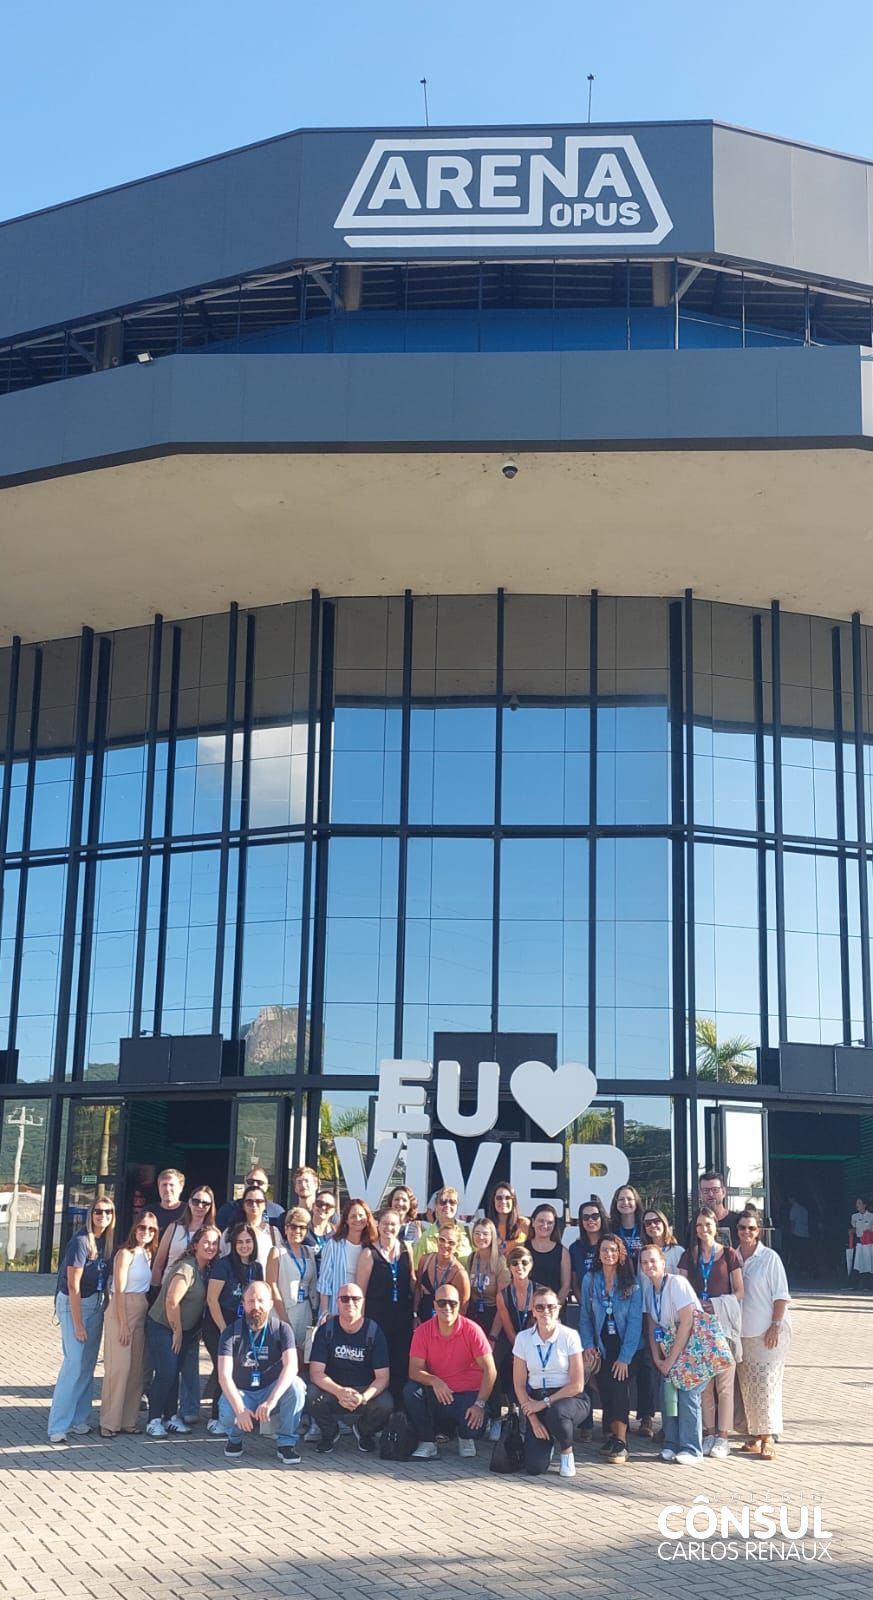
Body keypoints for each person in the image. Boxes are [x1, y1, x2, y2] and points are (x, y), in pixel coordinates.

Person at [47, 1196, 116, 1444]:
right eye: (98, 1211)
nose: (103, 1216)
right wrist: (78, 1324)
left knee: (87, 1364)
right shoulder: (80, 1242)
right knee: (74, 1363)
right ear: (90, 1214)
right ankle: (58, 1425)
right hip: (73, 1305)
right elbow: (73, 1286)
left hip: (95, 1304)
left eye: (108, 1212)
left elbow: (104, 1279)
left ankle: (79, 1419)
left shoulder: (107, 1242)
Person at [678, 1205, 744, 1458]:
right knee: (704, 1386)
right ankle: (708, 1433)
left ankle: (723, 1437)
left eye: (708, 1224)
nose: (703, 1229)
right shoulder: (689, 1256)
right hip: (697, 1328)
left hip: (722, 1326)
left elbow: (740, 1291)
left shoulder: (729, 1255)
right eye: (699, 1225)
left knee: (724, 1386)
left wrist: (716, 1304)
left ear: (716, 1227)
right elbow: (682, 1288)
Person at [217, 1281, 307, 1464]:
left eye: (261, 1301)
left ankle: (286, 1444)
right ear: (243, 1304)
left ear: (270, 1304)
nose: (256, 1306)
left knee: (297, 1386)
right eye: (250, 1301)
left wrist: (271, 1401)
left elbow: (291, 1367)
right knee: (227, 1409)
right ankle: (234, 1439)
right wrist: (240, 1410)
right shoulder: (230, 1332)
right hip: (243, 1392)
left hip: (270, 1390)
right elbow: (224, 1376)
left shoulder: (282, 1329)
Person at [405, 1284, 497, 1461]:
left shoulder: (472, 1330)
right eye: (442, 1303)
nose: (447, 1307)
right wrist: (434, 1381)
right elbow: (414, 1371)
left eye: (452, 1303)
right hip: (438, 1394)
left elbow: (490, 1370)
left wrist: (480, 1404)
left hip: (467, 1395)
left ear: (460, 1305)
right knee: (410, 1392)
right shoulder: (423, 1331)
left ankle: (465, 1437)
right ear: (434, 1305)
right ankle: (427, 1442)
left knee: (473, 1427)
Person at [145, 1224, 221, 1438]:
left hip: (185, 1330)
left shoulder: (206, 1269)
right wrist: (177, 1331)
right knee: (166, 1373)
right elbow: (172, 1301)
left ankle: (170, 1417)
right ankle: (153, 1420)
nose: (211, 1246)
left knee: (174, 1373)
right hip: (163, 1326)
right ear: (195, 1244)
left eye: (215, 1243)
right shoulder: (187, 1268)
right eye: (206, 1242)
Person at [579, 1234, 643, 1465]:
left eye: (613, 1250)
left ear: (621, 1253)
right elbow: (585, 1316)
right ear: (598, 1253)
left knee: (618, 1385)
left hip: (627, 1348)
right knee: (604, 1387)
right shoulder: (590, 1279)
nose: (609, 1254)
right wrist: (588, 1345)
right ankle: (611, 1436)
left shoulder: (631, 1283)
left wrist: (625, 1358)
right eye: (605, 1250)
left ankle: (621, 1441)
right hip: (602, 1346)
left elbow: (635, 1323)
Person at [639, 1241, 705, 1464]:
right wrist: (658, 1358)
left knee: (687, 1395)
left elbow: (687, 1322)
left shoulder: (677, 1283)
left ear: (663, 1262)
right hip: (668, 1349)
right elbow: (652, 1326)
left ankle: (692, 1448)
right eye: (644, 1262)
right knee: (668, 1395)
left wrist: (671, 1360)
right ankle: (671, 1443)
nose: (649, 1265)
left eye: (653, 1261)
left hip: (691, 1347)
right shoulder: (649, 1291)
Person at [308, 1282, 392, 1454]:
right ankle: (330, 1432)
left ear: (363, 1302)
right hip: (333, 1390)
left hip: (363, 1391)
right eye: (345, 1299)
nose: (350, 1303)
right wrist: (339, 1391)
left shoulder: (374, 1331)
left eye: (355, 1299)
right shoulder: (326, 1330)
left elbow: (383, 1377)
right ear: (337, 1302)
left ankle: (364, 1431)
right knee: (310, 1395)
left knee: (385, 1403)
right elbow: (316, 1373)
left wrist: (363, 1397)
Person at [512, 1285, 588, 1477]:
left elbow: (577, 1384)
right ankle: (547, 1444)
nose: (546, 1311)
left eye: (551, 1307)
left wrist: (544, 1403)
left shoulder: (569, 1336)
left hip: (568, 1397)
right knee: (534, 1468)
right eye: (540, 1307)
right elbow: (519, 1385)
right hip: (536, 1398)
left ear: (559, 1308)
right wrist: (533, 1419)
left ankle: (567, 1453)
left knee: (557, 1413)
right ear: (533, 1311)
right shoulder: (523, 1339)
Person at [735, 1209, 791, 1461]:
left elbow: (781, 1295)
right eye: (742, 1227)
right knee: (749, 1387)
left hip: (768, 1332)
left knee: (767, 1384)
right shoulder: (732, 1256)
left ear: (758, 1231)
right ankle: (756, 1434)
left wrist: (775, 1325)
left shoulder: (769, 1258)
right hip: (742, 1333)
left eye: (751, 1228)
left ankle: (769, 1437)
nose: (746, 1232)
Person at [99, 1210, 159, 1438]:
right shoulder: (125, 1253)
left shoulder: (148, 1254)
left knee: (135, 1370)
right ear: (135, 1228)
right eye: (142, 1227)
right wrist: (123, 1323)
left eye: (151, 1229)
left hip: (141, 1309)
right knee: (119, 1369)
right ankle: (109, 1422)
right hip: (122, 1309)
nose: (146, 1232)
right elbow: (119, 1290)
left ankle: (127, 1421)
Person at [204, 1222, 266, 1436]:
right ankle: (216, 1417)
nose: (244, 1246)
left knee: (240, 1370)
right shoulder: (223, 1265)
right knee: (223, 1369)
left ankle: (240, 1414)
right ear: (233, 1244)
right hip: (219, 1323)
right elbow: (212, 1299)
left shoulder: (257, 1267)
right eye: (239, 1242)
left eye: (248, 1241)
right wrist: (224, 1330)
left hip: (244, 1325)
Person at [357, 1208, 415, 1405]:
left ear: (400, 1226)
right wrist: (360, 1323)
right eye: (385, 1224)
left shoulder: (406, 1249)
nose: (389, 1228)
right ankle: (376, 1407)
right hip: (377, 1319)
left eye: (393, 1224)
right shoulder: (369, 1253)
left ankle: (398, 1410)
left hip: (403, 1318)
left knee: (400, 1362)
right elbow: (361, 1292)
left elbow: (412, 1282)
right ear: (378, 1224)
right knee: (379, 1362)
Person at [267, 1207, 319, 1355]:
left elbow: (313, 1284)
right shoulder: (277, 1252)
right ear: (286, 1228)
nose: (297, 1231)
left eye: (302, 1227)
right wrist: (284, 1319)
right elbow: (272, 1286)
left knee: (302, 1356)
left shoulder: (309, 1252)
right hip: (283, 1311)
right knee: (282, 1355)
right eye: (293, 1226)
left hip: (305, 1312)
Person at [318, 1199, 378, 1317]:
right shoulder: (334, 1245)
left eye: (361, 1215)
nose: (357, 1219)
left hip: (363, 1310)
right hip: (336, 1309)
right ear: (346, 1220)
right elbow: (324, 1282)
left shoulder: (372, 1247)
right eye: (353, 1216)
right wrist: (325, 1313)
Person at [151, 1185, 217, 1285]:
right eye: (196, 1201)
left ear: (210, 1207)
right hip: (168, 1285)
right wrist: (155, 1288)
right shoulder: (174, 1227)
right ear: (189, 1202)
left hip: (197, 1288)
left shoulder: (214, 1233)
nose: (200, 1206)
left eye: (205, 1203)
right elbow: (158, 1264)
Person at [414, 1225, 471, 1322]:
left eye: (451, 1242)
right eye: (442, 1240)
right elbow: (418, 1289)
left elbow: (463, 1309)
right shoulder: (425, 1260)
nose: (445, 1245)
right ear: (437, 1240)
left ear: (457, 1245)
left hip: (446, 1326)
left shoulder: (460, 1274)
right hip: (422, 1322)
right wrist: (415, 1315)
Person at [221, 1185, 283, 1269]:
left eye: (259, 1201)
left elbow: (280, 1262)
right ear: (243, 1205)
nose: (254, 1205)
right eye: (249, 1201)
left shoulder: (273, 1233)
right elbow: (222, 1257)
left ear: (265, 1205)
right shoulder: (230, 1232)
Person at [466, 1218, 509, 1336]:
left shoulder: (500, 1262)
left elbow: (503, 1303)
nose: (481, 1237)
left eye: (485, 1234)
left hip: (492, 1315)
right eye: (477, 1233)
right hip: (474, 1314)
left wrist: (493, 1335)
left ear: (492, 1236)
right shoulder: (471, 1258)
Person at [413, 1186, 473, 1266]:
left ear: (457, 1206)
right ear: (436, 1206)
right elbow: (418, 1268)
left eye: (452, 1202)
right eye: (443, 1202)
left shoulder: (469, 1231)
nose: (447, 1205)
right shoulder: (425, 1237)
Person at [525, 1204, 571, 1306]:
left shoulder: (563, 1252)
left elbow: (566, 1285)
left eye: (550, 1223)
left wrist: (553, 1308)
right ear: (533, 1222)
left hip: (554, 1310)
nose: (545, 1226)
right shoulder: (523, 1249)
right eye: (541, 1221)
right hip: (526, 1309)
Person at [216, 1166, 285, 1232]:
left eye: (260, 1182)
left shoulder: (277, 1211)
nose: (255, 1185)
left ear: (266, 1186)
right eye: (250, 1182)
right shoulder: (228, 1210)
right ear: (244, 1184)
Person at [569, 1198, 609, 1300]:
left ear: (602, 1218)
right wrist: (584, 1305)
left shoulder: (613, 1244)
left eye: (595, 1216)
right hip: (586, 1304)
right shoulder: (575, 1248)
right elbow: (574, 1283)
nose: (590, 1220)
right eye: (585, 1217)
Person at [698, 1171, 744, 1248]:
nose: (710, 1194)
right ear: (700, 1194)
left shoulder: (738, 1222)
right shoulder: (695, 1224)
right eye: (706, 1190)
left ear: (723, 1192)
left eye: (715, 1190)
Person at [485, 1183, 529, 1258]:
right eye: (499, 1198)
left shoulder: (524, 1224)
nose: (503, 1201)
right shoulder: (487, 1225)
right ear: (493, 1201)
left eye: (508, 1198)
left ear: (513, 1201)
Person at [609, 1185, 645, 1268]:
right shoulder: (609, 1228)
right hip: (619, 1274)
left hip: (644, 1274)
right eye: (621, 1199)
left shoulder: (645, 1227)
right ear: (616, 1203)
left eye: (629, 1199)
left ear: (636, 1202)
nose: (625, 1202)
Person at [151, 1169, 187, 1235]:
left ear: (181, 1188)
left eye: (171, 1185)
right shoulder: (149, 1212)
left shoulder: (189, 1212)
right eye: (164, 1185)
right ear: (158, 1187)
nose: (167, 1189)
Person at [849, 1196, 873, 1290]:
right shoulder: (854, 1216)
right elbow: (854, 1228)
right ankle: (853, 1285)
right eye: (856, 1203)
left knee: (868, 1264)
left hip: (869, 1244)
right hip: (859, 1243)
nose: (857, 1205)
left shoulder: (871, 1216)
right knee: (857, 1264)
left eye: (859, 1203)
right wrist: (852, 1231)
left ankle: (869, 1285)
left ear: (864, 1205)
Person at [307, 1189, 337, 1262]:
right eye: (319, 1203)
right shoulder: (302, 1230)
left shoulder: (336, 1234)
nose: (323, 1208)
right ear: (313, 1206)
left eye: (328, 1206)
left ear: (333, 1211)